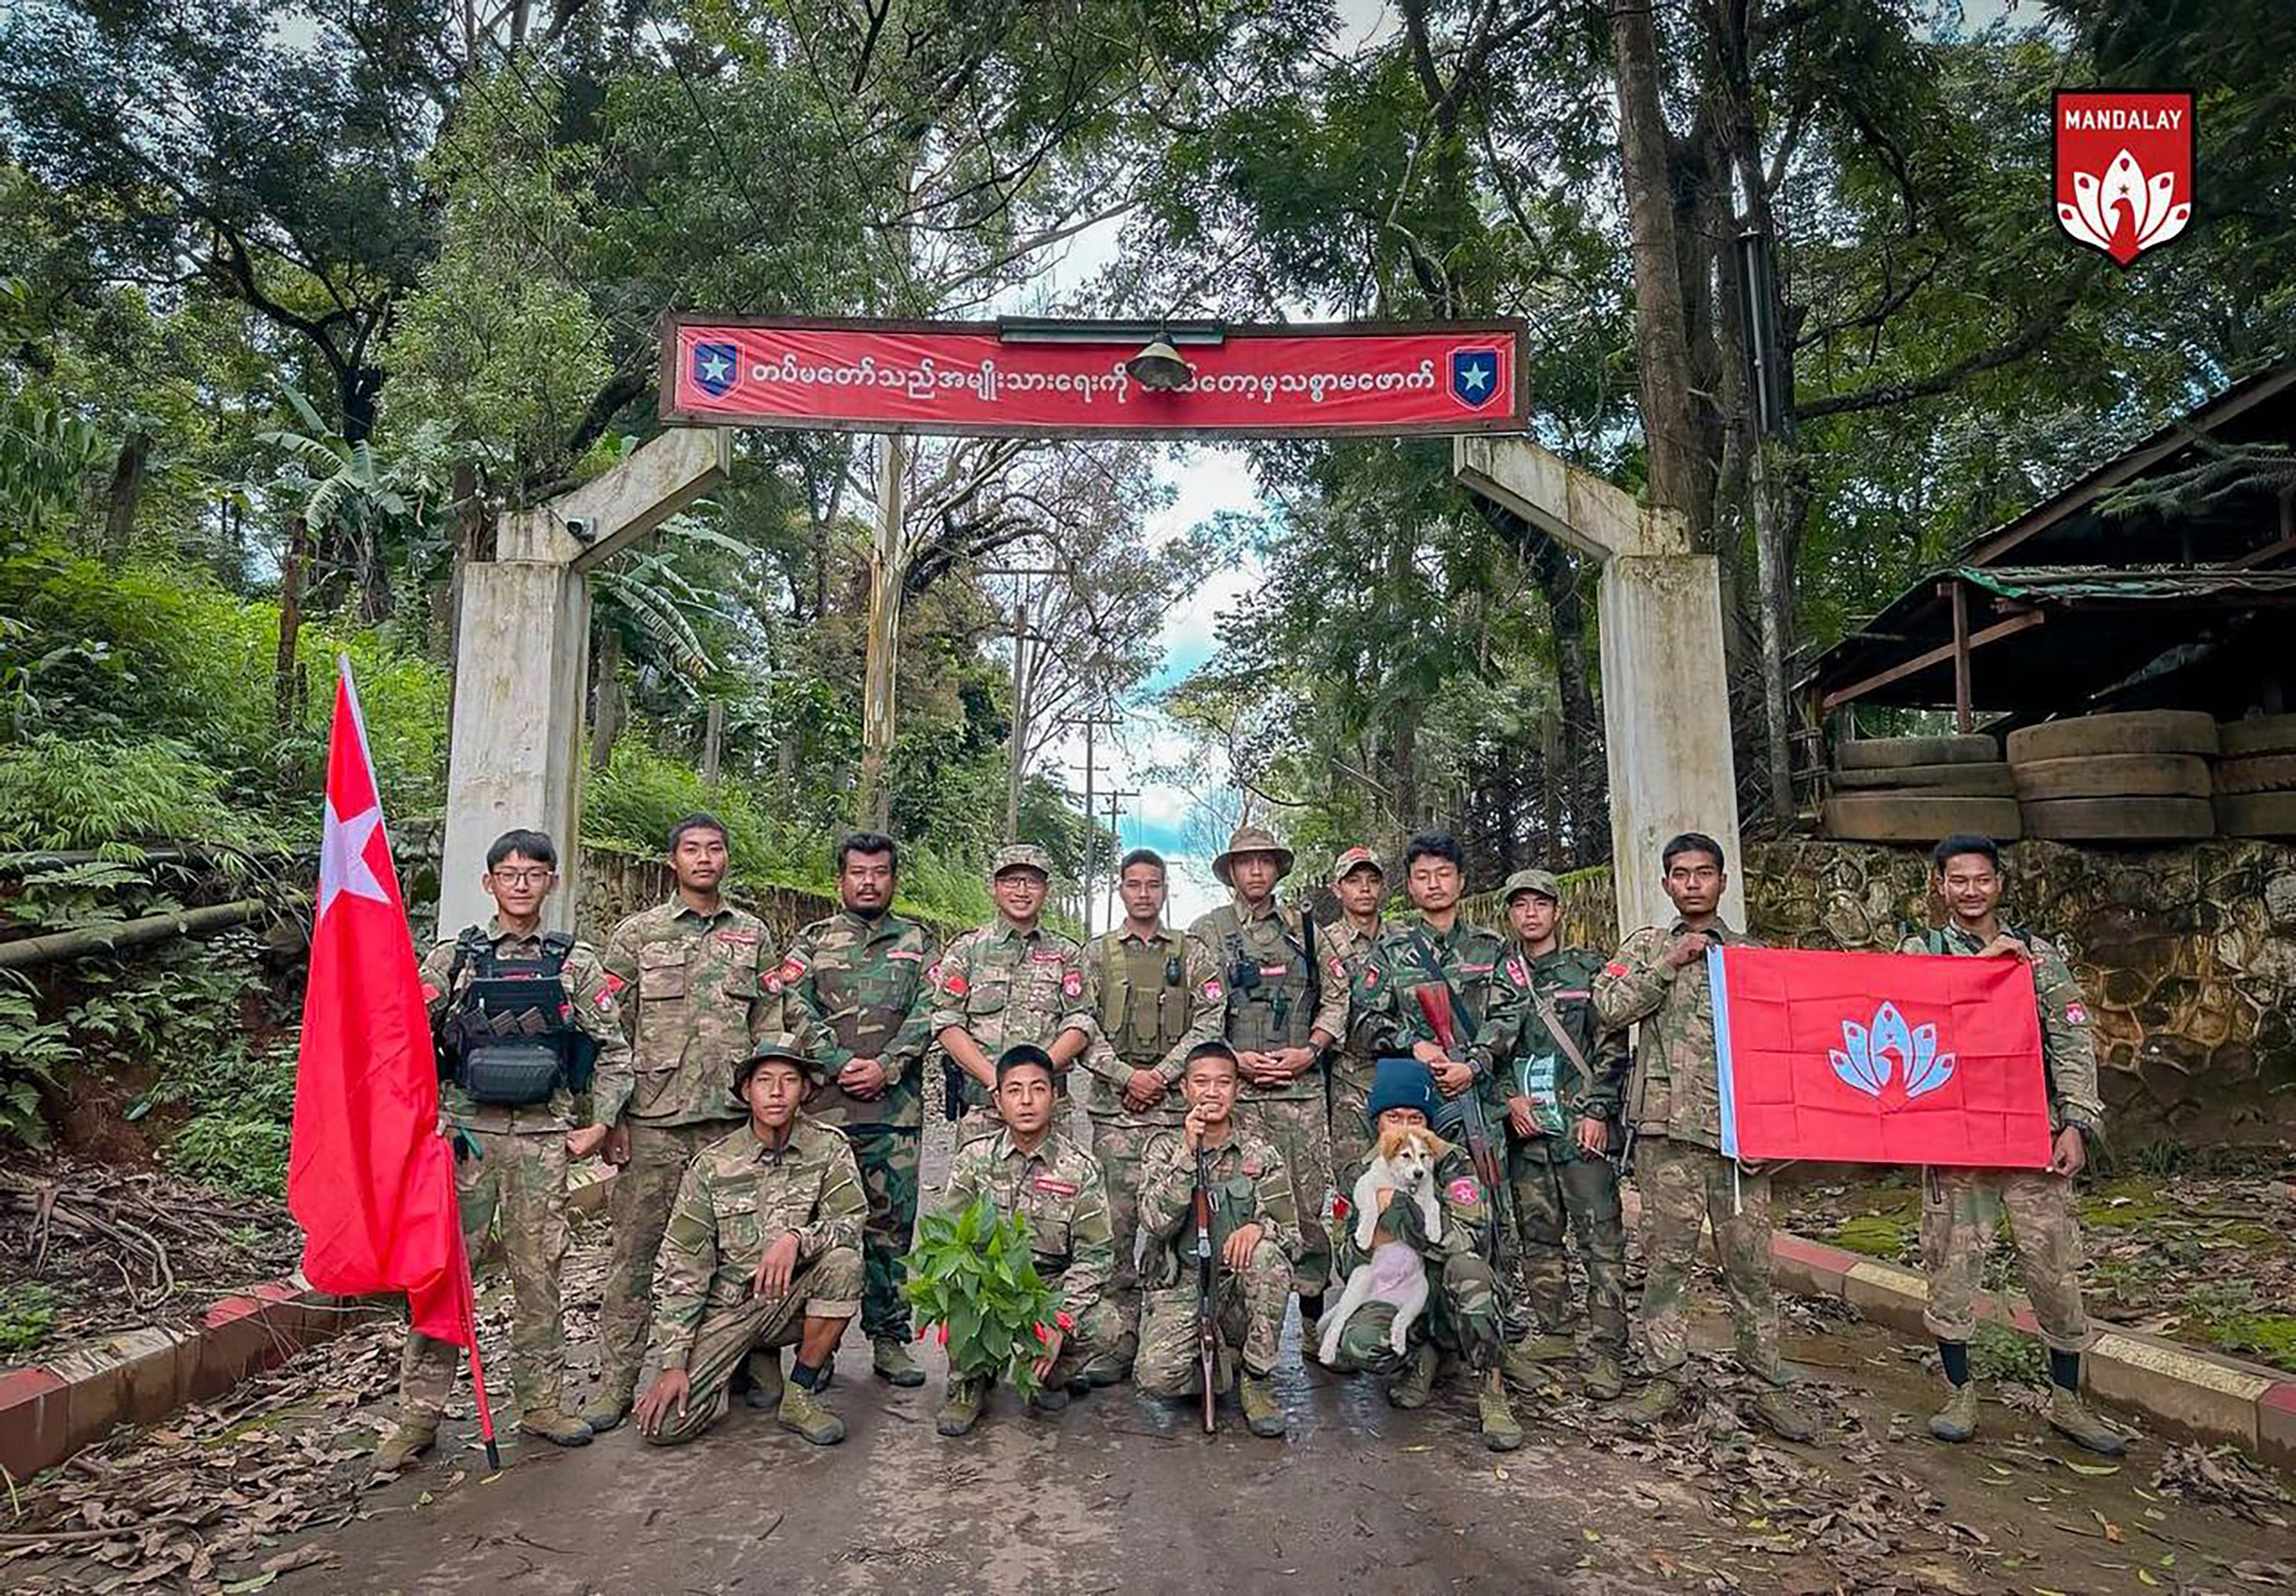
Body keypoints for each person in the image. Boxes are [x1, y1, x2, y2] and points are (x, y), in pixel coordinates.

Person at [373, 829, 629, 1472]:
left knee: (539, 1275)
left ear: (552, 882)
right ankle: (418, 1416)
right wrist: (422, 1121)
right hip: (465, 1140)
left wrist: (599, 1125)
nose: (521, 884)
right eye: (508, 874)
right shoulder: (454, 960)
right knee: (443, 1278)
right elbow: (405, 1041)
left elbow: (617, 1051)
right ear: (489, 883)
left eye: (534, 873)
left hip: (543, 1140)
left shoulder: (576, 963)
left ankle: (540, 1403)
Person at [1898, 834, 2123, 1455]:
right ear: (1940, 886)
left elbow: (2071, 1041)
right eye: (1958, 880)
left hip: (2032, 1136)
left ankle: (2068, 1400)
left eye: (1982, 880)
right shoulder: (1921, 951)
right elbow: (1909, 1013)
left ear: (2000, 883)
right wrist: (1984, 968)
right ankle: (1960, 1392)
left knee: (2054, 1267)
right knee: (1951, 1265)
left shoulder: (2040, 959)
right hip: (1957, 1140)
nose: (1971, 891)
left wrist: (2076, 1122)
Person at [1593, 832, 1815, 1441]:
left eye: (1704, 873)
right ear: (1666, 884)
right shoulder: (1645, 948)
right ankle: (1666, 1375)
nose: (1693, 883)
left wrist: (1777, 1130)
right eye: (1681, 874)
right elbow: (1608, 1008)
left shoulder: (1753, 954)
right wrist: (1669, 965)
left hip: (1740, 1139)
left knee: (1752, 1267)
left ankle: (1765, 1382)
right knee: (1667, 1264)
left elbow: (1785, 1047)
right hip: (1668, 1134)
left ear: (1722, 882)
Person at [584, 814, 780, 1432]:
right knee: (637, 1256)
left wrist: (771, 1106)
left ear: (727, 859)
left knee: (739, 1252)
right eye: (691, 849)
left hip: (730, 1124)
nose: (704, 859)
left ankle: (743, 1364)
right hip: (655, 1123)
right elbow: (607, 1032)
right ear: (673, 861)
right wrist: (610, 1115)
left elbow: (769, 1025)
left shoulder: (753, 936)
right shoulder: (637, 936)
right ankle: (617, 1382)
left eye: (715, 849)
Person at [631, 1034, 863, 1448]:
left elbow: (850, 1222)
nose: (776, 1093)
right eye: (764, 1081)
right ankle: (752, 1361)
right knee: (665, 1428)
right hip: (730, 1309)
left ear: (806, 1089)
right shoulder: (713, 1165)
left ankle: (799, 1393)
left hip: (791, 1301)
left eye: (789, 1080)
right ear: (745, 1091)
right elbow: (683, 1263)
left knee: (845, 1264)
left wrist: (798, 1239)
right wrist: (673, 1362)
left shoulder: (828, 1148)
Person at [777, 831, 939, 1389]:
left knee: (891, 1230)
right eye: (858, 872)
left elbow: (932, 1010)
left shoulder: (919, 944)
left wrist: (888, 1065)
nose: (869, 882)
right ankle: (814, 1351)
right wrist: (838, 1059)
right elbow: (790, 1004)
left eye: (880, 872)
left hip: (895, 1114)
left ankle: (890, 1338)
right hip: (825, 1115)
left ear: (894, 878)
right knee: (823, 1231)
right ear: (840, 879)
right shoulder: (812, 942)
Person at [1474, 868, 1630, 1399]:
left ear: (1556, 910)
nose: (1530, 914)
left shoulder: (1589, 968)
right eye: (1520, 906)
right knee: (1539, 1240)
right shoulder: (1501, 975)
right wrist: (1505, 1100)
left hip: (1579, 1129)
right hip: (1527, 1134)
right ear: (1511, 915)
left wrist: (1597, 1109)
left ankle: (1608, 1349)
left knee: (1601, 1242)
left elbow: (1612, 1045)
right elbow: (1487, 1049)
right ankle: (1556, 1332)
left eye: (1539, 904)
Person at [1187, 825, 1346, 1349]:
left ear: (1278, 869)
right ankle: (1229, 1321)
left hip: (1299, 1097)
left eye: (1265, 862)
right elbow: (1198, 1006)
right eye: (1245, 862)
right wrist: (1231, 1059)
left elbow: (1338, 997)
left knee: (1303, 1207)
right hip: (1237, 1097)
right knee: (1228, 1205)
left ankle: (1308, 1316)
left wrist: (1311, 1050)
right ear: (1231, 872)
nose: (1256, 871)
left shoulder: (1305, 928)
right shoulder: (1208, 932)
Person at [1078, 848, 1228, 1374]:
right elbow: (1079, 1025)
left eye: (1154, 885)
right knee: (1116, 1231)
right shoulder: (1096, 955)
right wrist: (1126, 1078)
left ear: (1166, 891)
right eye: (1134, 885)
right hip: (1114, 1115)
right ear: (1120, 890)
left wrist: (1161, 1076)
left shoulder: (1192, 954)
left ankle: (1175, 1334)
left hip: (1174, 1117)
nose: (1144, 894)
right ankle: (1118, 1339)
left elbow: (1211, 1019)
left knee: (1177, 1225)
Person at [1324, 1056, 1522, 1452]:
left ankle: (1492, 1391)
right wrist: (1369, 1243)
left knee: (1470, 1271)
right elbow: (1347, 1256)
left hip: (1448, 1287)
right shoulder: (1360, 1172)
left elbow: (1468, 1238)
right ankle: (1422, 1357)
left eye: (1415, 1117)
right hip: (1400, 1286)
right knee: (1359, 1343)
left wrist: (1399, 1211)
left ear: (1428, 1123)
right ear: (1377, 1121)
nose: (1404, 1127)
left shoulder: (1452, 1161)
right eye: (1393, 1116)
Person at [1350, 832, 1526, 1251]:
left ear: (1461, 881)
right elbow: (1363, 1020)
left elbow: (1511, 1012)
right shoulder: (1391, 952)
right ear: (1410, 887)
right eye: (1423, 876)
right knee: (1418, 1201)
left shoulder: (1493, 947)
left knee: (1488, 1201)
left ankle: (1492, 1299)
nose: (1434, 884)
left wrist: (1476, 1064)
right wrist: (1415, 1044)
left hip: (1479, 1098)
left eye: (1443, 874)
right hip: (1420, 1108)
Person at [933, 1044, 1120, 1436]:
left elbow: (1096, 1256)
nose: (1027, 1101)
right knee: (955, 1286)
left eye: (1038, 1089)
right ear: (998, 1100)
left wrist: (1060, 1320)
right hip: (990, 1285)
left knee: (1106, 1323)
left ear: (1055, 1095)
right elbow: (951, 1241)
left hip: (1047, 1290)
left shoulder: (1080, 1169)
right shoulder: (974, 1159)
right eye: (1015, 1091)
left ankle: (1045, 1375)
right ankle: (970, 1382)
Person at [1133, 1040, 1296, 1438]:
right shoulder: (1163, 1150)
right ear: (1185, 1089)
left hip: (1239, 1283)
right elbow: (1155, 1222)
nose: (1212, 1092)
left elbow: (1292, 1236)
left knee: (1269, 1260)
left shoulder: (1261, 1153)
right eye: (1201, 1083)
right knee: (1154, 1378)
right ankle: (1221, 1369)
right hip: (1185, 1281)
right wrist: (1189, 1154)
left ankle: (1256, 1381)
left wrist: (1259, 1229)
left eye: (1223, 1082)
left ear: (1237, 1089)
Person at [927, 844, 1094, 1146]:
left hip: (1050, 1112)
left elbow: (1081, 1023)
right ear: (994, 887)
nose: (1022, 890)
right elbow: (946, 1023)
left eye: (1032, 881)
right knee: (977, 1195)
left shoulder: (1066, 953)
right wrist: (997, 1082)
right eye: (1011, 881)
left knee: (1055, 1192)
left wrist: (1035, 1079)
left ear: (1047, 889)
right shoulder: (967, 950)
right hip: (983, 1110)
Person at [1321, 846, 1390, 1186]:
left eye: (1372, 880)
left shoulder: (1405, 940)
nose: (1364, 888)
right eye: (1354, 881)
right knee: (1354, 1180)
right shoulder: (1322, 944)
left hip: (1400, 1072)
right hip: (1349, 1078)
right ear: (1337, 888)